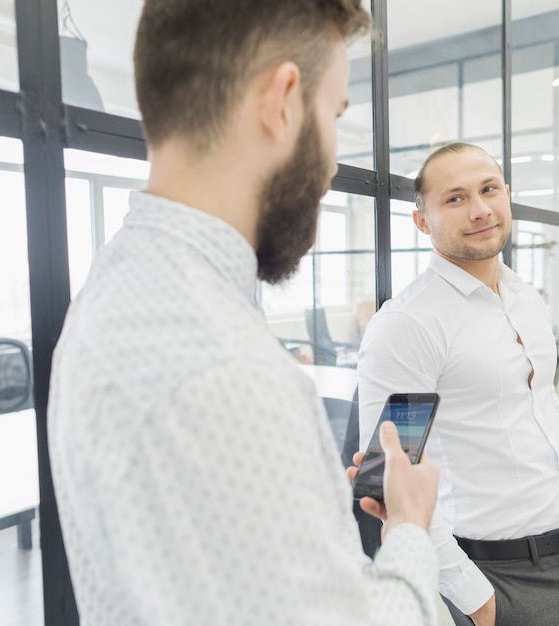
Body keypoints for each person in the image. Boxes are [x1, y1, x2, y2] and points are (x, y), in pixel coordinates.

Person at [47, 1, 443, 624]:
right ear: (283, 99)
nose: (334, 161)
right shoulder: (229, 366)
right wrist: (410, 531)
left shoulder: (114, 292)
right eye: (333, 115)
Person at [357, 141, 559, 626]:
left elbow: (544, 409)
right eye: (454, 198)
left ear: (507, 196)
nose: (479, 210)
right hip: (496, 579)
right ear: (423, 221)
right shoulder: (409, 325)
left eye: (488, 189)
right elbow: (388, 480)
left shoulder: (525, 299)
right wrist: (478, 600)